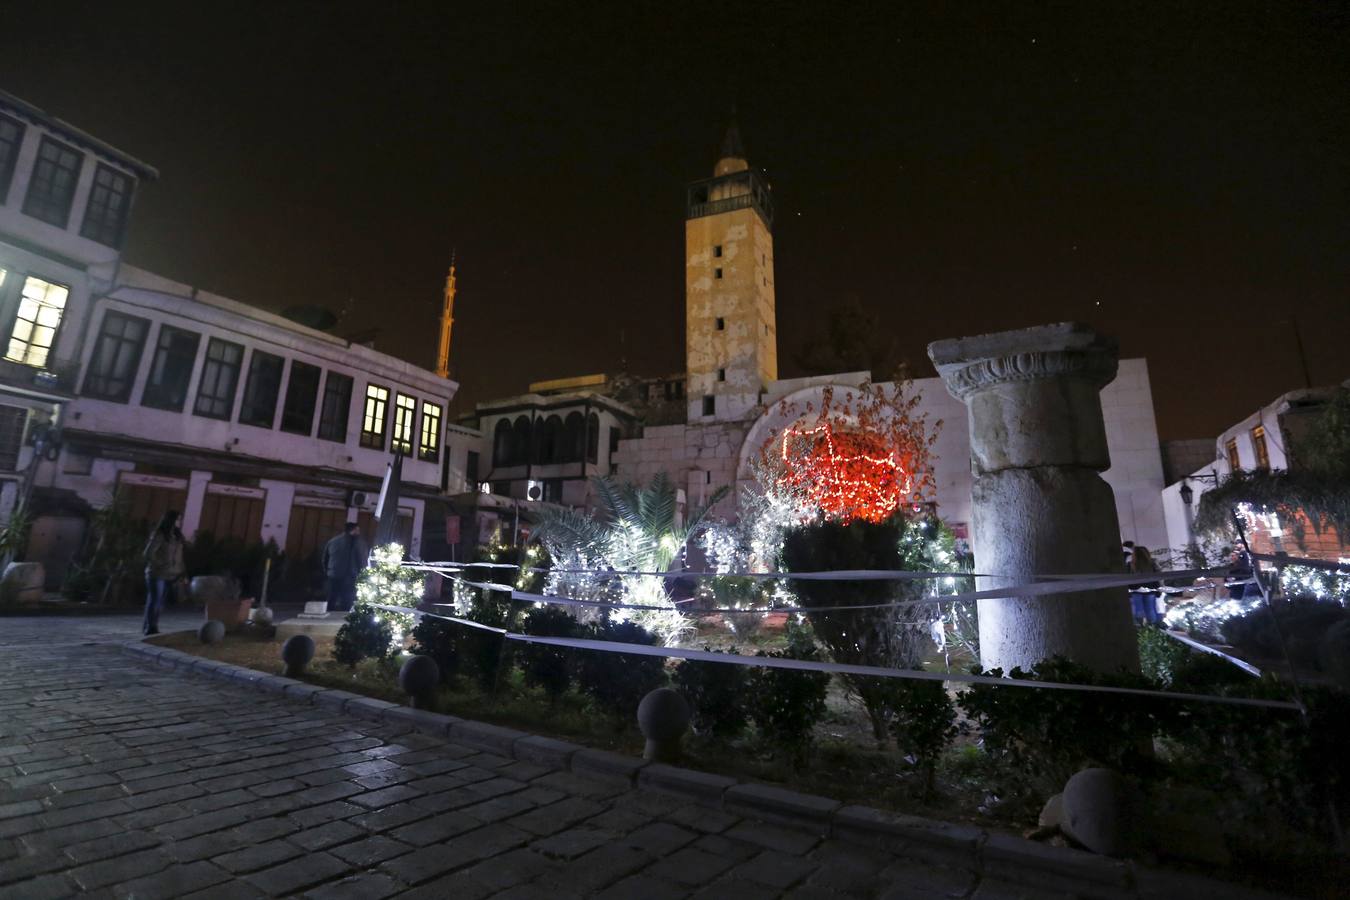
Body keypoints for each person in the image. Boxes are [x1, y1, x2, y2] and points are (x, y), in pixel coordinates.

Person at [143, 510, 186, 635]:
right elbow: (148, 553)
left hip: (172, 574)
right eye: (178, 519)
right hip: (157, 573)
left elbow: (179, 556)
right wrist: (160, 564)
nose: (180, 521)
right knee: (155, 599)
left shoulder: (177, 536)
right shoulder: (160, 534)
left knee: (160, 601)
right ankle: (151, 627)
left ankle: (151, 624)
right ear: (171, 520)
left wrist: (181, 570)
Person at [321, 522, 367, 610]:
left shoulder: (332, 541)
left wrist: (328, 571)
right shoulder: (357, 543)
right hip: (350, 574)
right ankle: (343, 618)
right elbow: (361, 559)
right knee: (347, 599)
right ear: (353, 530)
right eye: (358, 530)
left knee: (332, 597)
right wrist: (362, 573)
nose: (359, 532)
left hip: (333, 573)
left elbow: (325, 559)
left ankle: (327, 615)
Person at [1128, 545, 1163, 625]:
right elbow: (1158, 576)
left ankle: (1140, 627)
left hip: (1135, 590)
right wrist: (1159, 589)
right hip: (1150, 589)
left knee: (1138, 610)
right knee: (1150, 609)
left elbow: (1127, 578)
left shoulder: (1131, 564)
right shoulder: (1152, 563)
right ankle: (1151, 627)